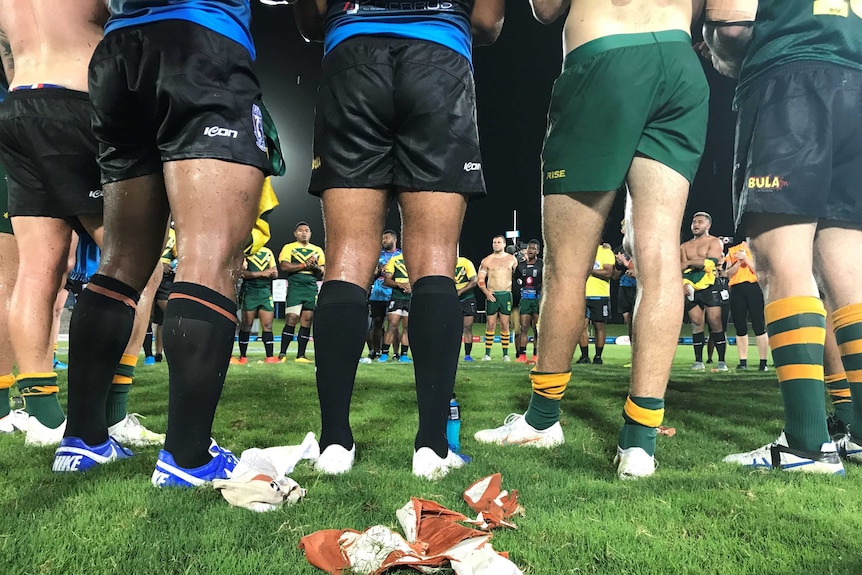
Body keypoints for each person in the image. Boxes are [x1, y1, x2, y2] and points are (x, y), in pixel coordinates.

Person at [475, 0, 708, 480]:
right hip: (680, 60)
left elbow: (545, 9)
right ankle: (640, 443)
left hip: (604, 54)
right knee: (660, 259)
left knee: (566, 268)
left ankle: (542, 420)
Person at [55, 0, 280, 483]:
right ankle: (188, 457)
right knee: (210, 255)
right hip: (200, 40)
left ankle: (82, 441)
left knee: (120, 262)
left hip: (119, 52)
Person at [293, 0, 504, 480]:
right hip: (439, 56)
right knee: (434, 260)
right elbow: (489, 23)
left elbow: (309, 19)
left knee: (345, 256)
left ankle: (334, 445)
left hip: (352, 55)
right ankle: (431, 447)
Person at [705, 0, 860, 473]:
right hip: (856, 81)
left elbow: (730, 22)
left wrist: (721, 55)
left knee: (781, 261)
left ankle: (805, 445)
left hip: (793, 80)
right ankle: (857, 434)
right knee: (850, 277)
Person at [0, 2, 163, 449]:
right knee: (142, 267)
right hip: (78, 101)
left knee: (38, 270)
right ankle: (112, 415)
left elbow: (7, 51)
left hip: (18, 102)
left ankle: (44, 417)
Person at [681, 212, 728, 371]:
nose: (695, 224)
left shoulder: (715, 242)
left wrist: (689, 262)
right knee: (696, 323)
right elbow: (679, 267)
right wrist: (683, 282)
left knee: (715, 322)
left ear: (708, 225)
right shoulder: (684, 246)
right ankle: (698, 361)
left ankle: (721, 361)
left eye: (700, 222)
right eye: (694, 221)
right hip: (690, 285)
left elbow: (711, 262)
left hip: (710, 284)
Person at [278, 221, 325, 364]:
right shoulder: (289, 247)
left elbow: (323, 271)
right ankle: (282, 354)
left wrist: (315, 266)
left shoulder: (317, 250)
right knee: (291, 318)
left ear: (310, 233)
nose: (304, 233)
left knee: (307, 321)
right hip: (295, 286)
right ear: (295, 233)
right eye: (300, 230)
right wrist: (305, 264)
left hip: (310, 287)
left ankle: (301, 355)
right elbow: (284, 266)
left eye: (306, 230)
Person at [724, 239, 768, 371]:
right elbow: (728, 273)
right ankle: (742, 361)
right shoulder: (733, 250)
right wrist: (738, 262)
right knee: (740, 326)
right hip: (737, 289)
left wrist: (746, 260)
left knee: (759, 325)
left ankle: (763, 362)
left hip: (755, 287)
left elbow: (762, 274)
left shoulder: (760, 248)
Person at [233, 244, 278, 364]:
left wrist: (273, 273)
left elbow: (275, 272)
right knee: (247, 325)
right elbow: (241, 273)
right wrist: (262, 273)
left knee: (268, 326)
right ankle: (243, 357)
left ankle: (270, 357)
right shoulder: (246, 251)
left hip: (265, 292)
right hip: (249, 292)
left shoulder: (268, 252)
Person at [477, 235, 518, 361]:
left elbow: (518, 277)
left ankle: (505, 354)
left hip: (506, 295)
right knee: (490, 324)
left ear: (504, 244)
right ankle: (487, 354)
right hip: (492, 294)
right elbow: (480, 279)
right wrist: (486, 292)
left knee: (505, 324)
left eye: (499, 242)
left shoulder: (512, 260)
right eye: (494, 242)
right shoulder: (487, 260)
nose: (496, 244)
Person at [362, 229, 400, 363]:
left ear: (394, 240)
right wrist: (379, 271)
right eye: (382, 239)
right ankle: (376, 352)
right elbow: (371, 275)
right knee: (377, 323)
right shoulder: (377, 255)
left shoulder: (402, 255)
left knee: (394, 324)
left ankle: (396, 353)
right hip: (377, 294)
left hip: (395, 293)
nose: (384, 241)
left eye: (387, 238)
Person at [577, 242, 614, 365]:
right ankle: (584, 356)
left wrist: (590, 270)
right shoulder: (581, 253)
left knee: (599, 327)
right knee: (581, 327)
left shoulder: (605, 252)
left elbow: (608, 273)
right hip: (581, 295)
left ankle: (598, 357)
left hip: (600, 295)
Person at [515, 239, 542, 363]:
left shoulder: (541, 264)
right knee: (524, 327)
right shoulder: (520, 265)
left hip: (537, 300)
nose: (531, 250)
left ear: (538, 251)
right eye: (529, 248)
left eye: (533, 248)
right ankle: (522, 355)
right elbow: (516, 281)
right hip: (525, 300)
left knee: (537, 329)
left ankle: (536, 355)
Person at [382, 252, 412, 363]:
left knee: (407, 328)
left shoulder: (417, 259)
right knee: (392, 325)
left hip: (410, 298)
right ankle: (384, 354)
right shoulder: (395, 260)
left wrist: (412, 286)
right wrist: (399, 285)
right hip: (397, 297)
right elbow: (387, 280)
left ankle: (404, 355)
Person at [614, 219, 636, 368]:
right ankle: (633, 356)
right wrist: (619, 264)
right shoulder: (619, 249)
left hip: (638, 287)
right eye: (625, 227)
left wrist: (629, 264)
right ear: (622, 230)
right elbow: (616, 273)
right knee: (628, 321)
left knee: (638, 322)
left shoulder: (638, 246)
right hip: (624, 286)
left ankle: (642, 356)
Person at [455, 253, 479, 362]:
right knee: (453, 329)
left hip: (467, 299)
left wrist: (461, 291)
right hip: (452, 299)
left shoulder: (465, 262)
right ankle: (452, 355)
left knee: (467, 327)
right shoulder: (445, 264)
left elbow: (474, 281)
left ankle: (467, 355)